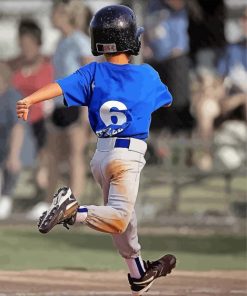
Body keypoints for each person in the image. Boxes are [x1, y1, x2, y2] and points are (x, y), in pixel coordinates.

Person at [16, 5, 176, 295]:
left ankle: (138, 273)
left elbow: (59, 87)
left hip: (101, 156)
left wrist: (30, 99)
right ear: (130, 40)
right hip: (128, 157)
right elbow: (166, 100)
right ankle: (72, 211)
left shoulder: (93, 72)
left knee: (125, 221)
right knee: (118, 218)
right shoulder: (147, 75)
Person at [36, 0, 94, 218]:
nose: (51, 17)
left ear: (63, 15)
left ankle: (73, 206)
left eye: (55, 13)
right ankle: (47, 203)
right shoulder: (61, 42)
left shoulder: (80, 41)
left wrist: (86, 111)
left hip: (76, 105)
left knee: (75, 157)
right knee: (52, 156)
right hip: (59, 105)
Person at [10, 19, 54, 212]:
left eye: (30, 44)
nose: (26, 48)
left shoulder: (49, 65)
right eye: (23, 44)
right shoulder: (11, 66)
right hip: (17, 123)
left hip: (40, 122)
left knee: (46, 134)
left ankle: (42, 176)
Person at [0, 62, 24, 220]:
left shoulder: (12, 97)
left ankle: (5, 198)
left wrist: (14, 155)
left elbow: (18, 128)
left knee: (11, 162)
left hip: (15, 143)